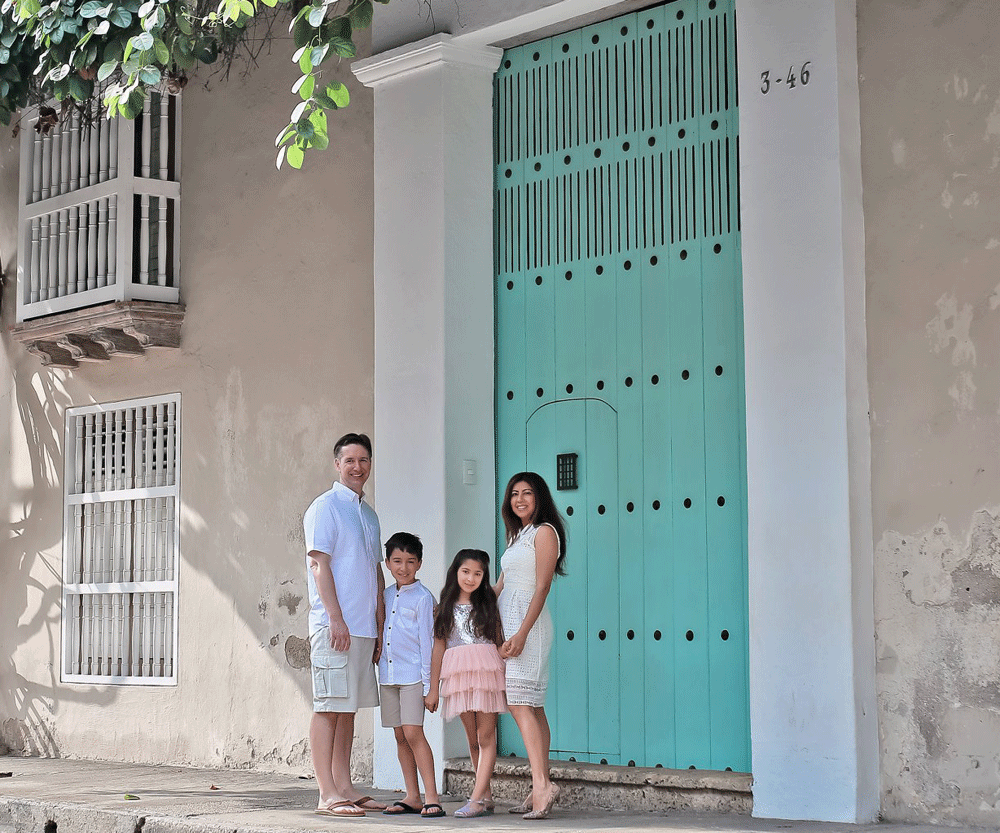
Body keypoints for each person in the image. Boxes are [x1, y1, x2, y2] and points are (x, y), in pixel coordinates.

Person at [303, 432, 387, 818]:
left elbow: (375, 573)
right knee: (328, 707)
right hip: (333, 626)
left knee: (348, 709)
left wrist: (379, 625)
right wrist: (335, 618)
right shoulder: (325, 508)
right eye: (350, 460)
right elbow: (319, 564)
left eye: (363, 460)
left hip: (363, 629)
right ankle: (325, 793)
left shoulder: (368, 515)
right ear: (337, 464)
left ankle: (345, 785)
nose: (357, 467)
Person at [495, 472, 567, 820]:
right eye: (514, 494)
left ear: (540, 497)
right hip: (510, 625)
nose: (519, 499)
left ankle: (541, 785)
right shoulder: (517, 536)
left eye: (527, 493)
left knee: (520, 702)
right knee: (532, 706)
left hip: (530, 626)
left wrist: (522, 633)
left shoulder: (545, 532)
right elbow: (498, 587)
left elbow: (541, 588)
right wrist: (459, 604)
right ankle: (541, 783)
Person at [426, 549, 507, 818]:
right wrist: (433, 688)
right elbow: (438, 649)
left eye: (477, 573)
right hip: (459, 676)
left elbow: (498, 640)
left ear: (484, 577)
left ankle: (475, 800)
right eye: (466, 572)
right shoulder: (445, 606)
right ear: (455, 572)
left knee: (486, 736)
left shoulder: (488, 603)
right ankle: (486, 796)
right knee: (472, 739)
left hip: (485, 673)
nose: (471, 578)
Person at [377, 532, 446, 819]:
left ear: (419, 563)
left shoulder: (423, 598)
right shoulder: (386, 594)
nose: (403, 567)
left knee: (414, 733)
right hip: (388, 673)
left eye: (410, 561)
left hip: (412, 676)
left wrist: (431, 688)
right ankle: (412, 795)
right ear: (387, 562)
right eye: (397, 561)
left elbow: (428, 644)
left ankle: (432, 797)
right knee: (399, 736)